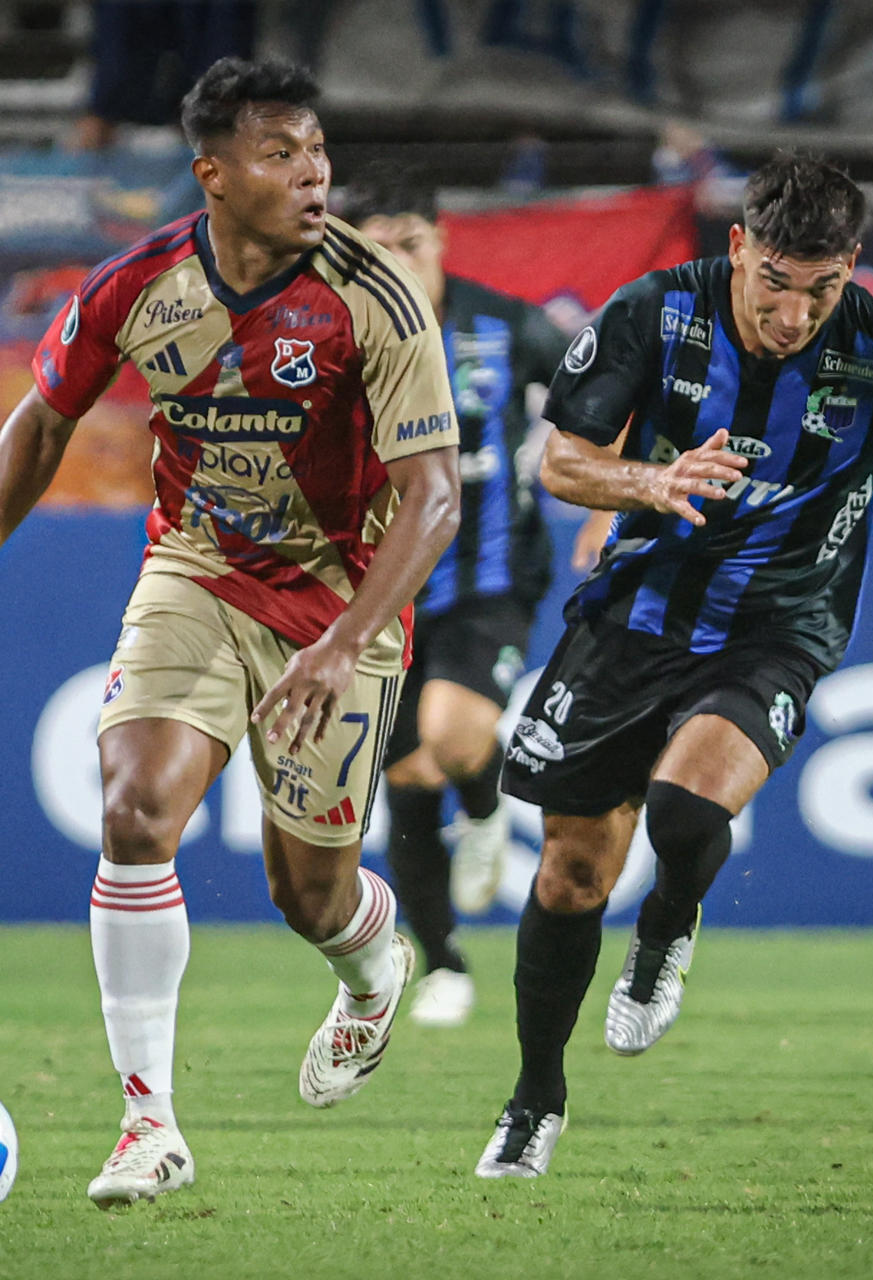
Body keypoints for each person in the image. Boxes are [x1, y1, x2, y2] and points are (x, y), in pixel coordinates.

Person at [0, 57, 461, 1207]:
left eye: (318, 152)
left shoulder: (377, 298)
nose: (313, 175)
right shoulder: (138, 283)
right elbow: (40, 417)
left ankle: (373, 970)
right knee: (133, 808)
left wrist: (342, 639)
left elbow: (436, 497)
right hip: (198, 572)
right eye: (281, 155)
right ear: (212, 174)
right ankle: (148, 1125)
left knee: (306, 892)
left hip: (340, 601)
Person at [475, 152, 873, 1178]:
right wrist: (648, 480)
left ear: (853, 268)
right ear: (738, 248)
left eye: (821, 289)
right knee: (573, 873)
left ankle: (666, 929)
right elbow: (556, 458)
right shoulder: (655, 313)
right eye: (776, 284)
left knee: (689, 811)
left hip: (780, 625)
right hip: (633, 616)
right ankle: (536, 1095)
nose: (795, 315)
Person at [342, 178, 568, 1028]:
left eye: (413, 240)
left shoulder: (505, 327)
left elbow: (600, 394)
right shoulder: (337, 340)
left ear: (441, 241)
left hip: (489, 581)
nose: (400, 259)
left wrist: (615, 472)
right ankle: (442, 961)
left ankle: (482, 809)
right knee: (403, 772)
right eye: (380, 245)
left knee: (453, 734)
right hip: (379, 590)